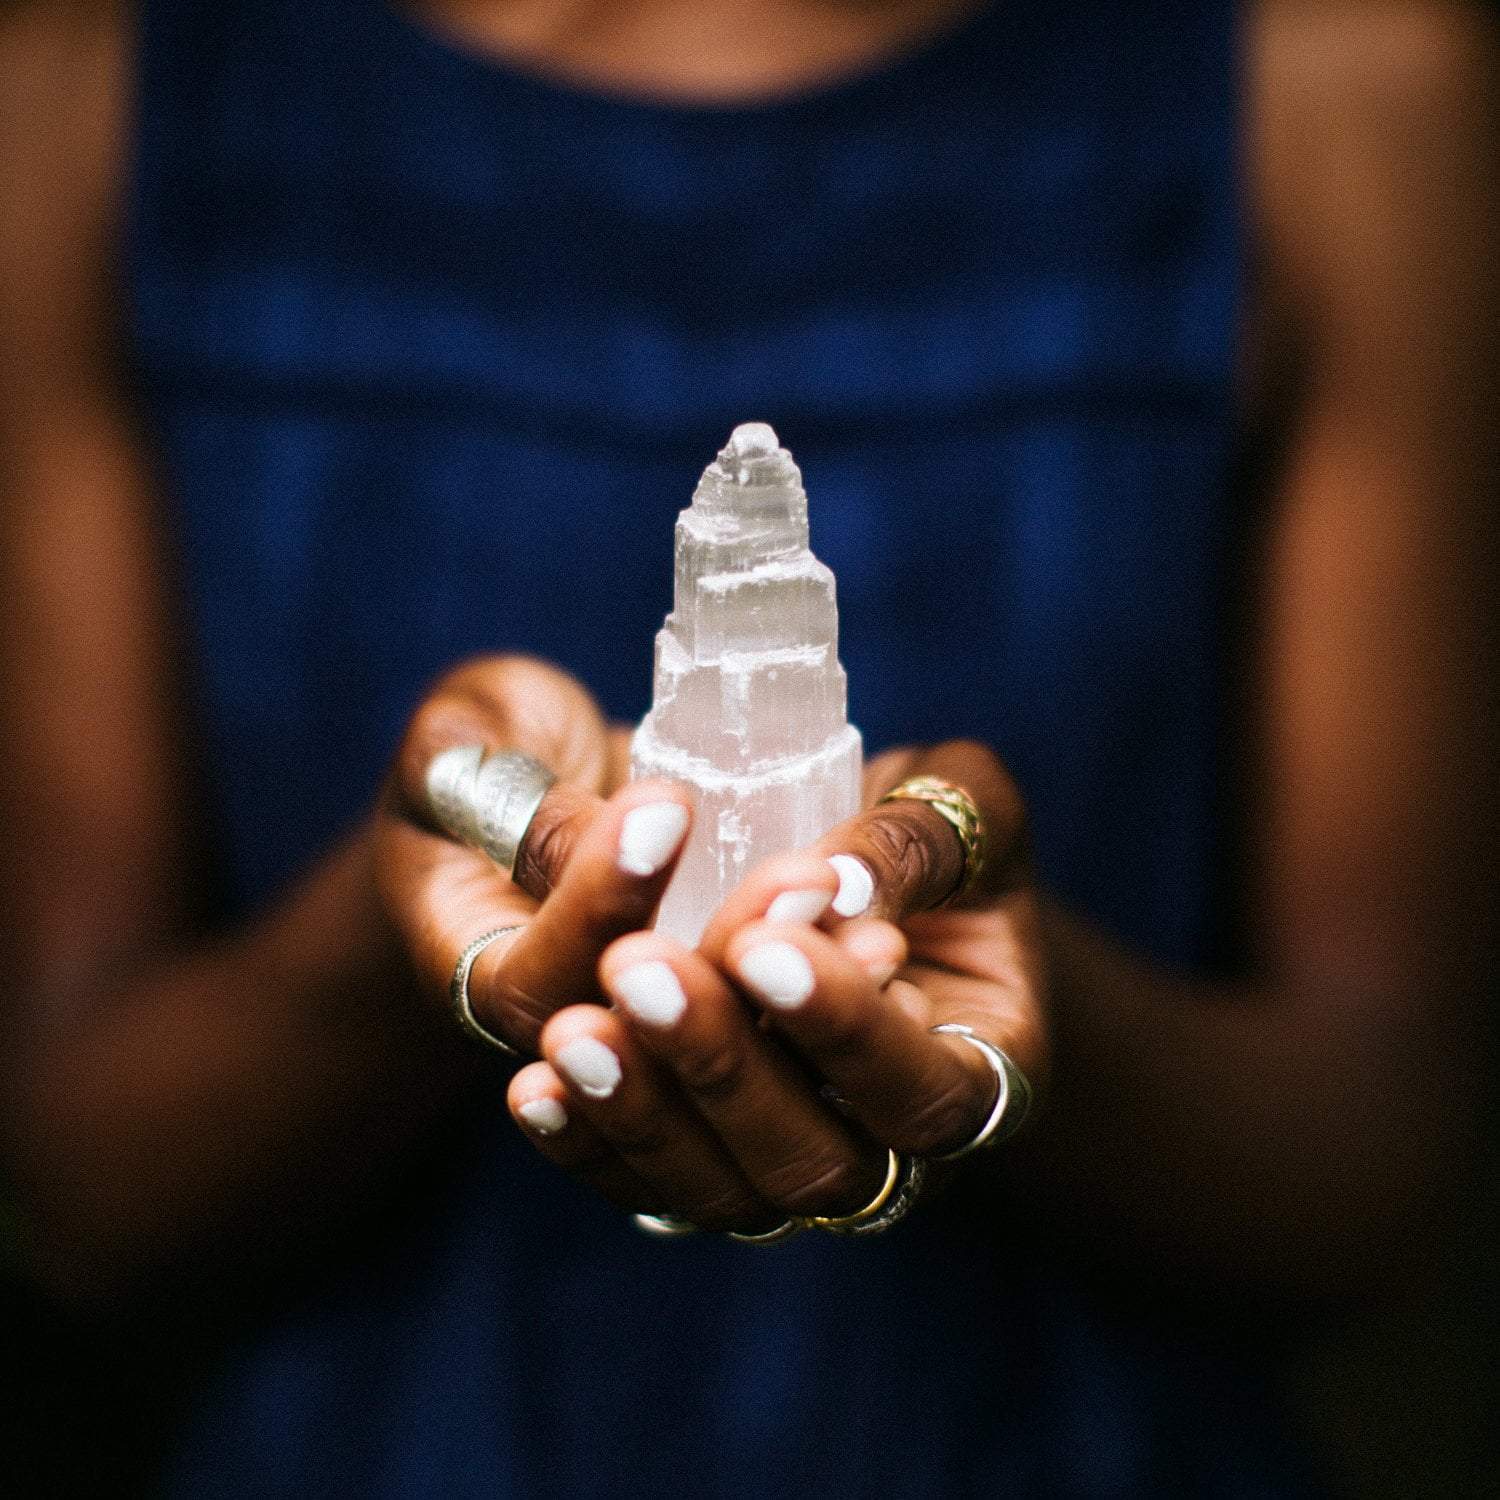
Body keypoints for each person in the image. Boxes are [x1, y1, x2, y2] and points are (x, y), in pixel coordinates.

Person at [1, 0, 1494, 1493]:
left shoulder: (1338, 87)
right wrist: (408, 913)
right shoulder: (89, 85)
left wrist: (1016, 1008)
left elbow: (1377, 1176)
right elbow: (76, 1196)